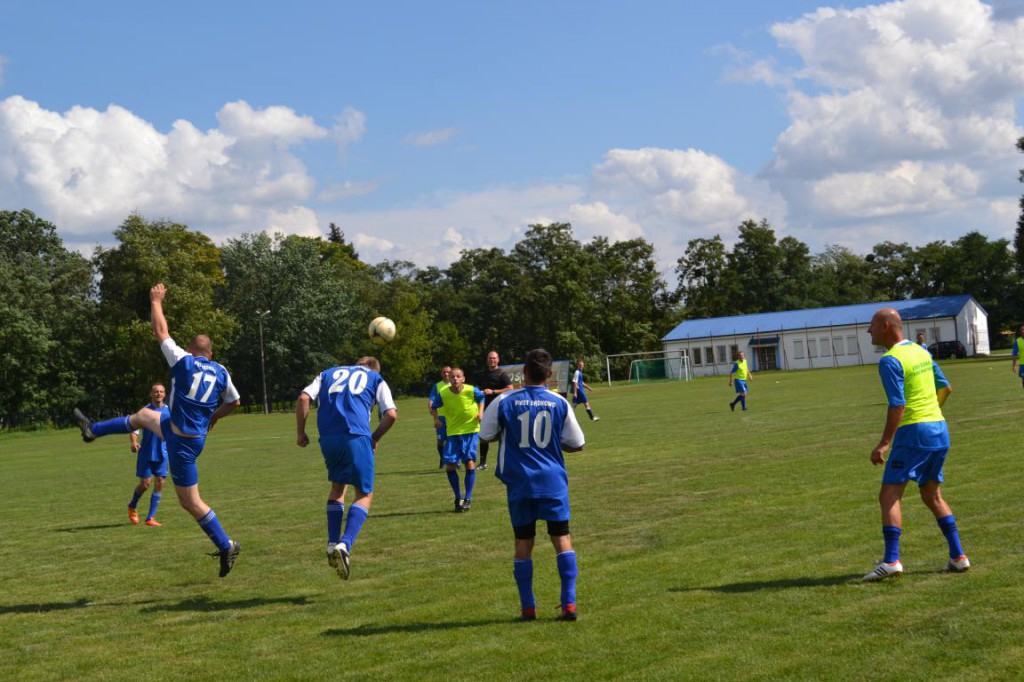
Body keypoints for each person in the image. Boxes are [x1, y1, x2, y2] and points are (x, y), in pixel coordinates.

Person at [73, 283, 242, 577]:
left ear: (191, 349)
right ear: (211, 354)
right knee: (142, 416)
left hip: (181, 443)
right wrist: (214, 417)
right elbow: (235, 402)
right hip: (186, 433)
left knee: (190, 501)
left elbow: (161, 332)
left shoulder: (183, 360)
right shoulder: (222, 372)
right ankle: (92, 429)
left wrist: (156, 301)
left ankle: (226, 544)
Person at [862, 308, 969, 582]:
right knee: (932, 495)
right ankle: (958, 557)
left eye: (872, 326)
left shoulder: (890, 360)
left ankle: (891, 561)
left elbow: (898, 404)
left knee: (889, 496)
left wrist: (885, 443)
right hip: (939, 429)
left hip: (914, 433)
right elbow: (946, 388)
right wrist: (931, 413)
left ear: (886, 326)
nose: (868, 331)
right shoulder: (922, 352)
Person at [480, 348, 586, 621]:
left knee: (523, 543)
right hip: (552, 482)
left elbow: (486, 435)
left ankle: (528, 607)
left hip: (520, 482)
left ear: (523, 372)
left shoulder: (505, 400)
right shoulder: (558, 402)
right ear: (549, 375)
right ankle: (569, 604)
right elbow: (577, 444)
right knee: (561, 538)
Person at [296, 356, 397, 580]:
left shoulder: (327, 373)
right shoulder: (376, 377)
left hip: (328, 439)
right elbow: (391, 414)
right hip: (356, 436)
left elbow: (304, 398)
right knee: (364, 493)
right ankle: (345, 544)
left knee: (337, 487)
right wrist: (374, 437)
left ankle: (332, 543)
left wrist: (301, 432)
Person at [431, 367, 484, 512]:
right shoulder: (443, 393)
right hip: (453, 432)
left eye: (458, 376)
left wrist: (480, 412)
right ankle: (458, 497)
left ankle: (468, 498)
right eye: (453, 377)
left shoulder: (471, 390)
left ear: (463, 378)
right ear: (449, 379)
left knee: (469, 462)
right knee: (449, 466)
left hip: (470, 431)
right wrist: (436, 419)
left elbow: (482, 398)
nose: (455, 379)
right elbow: (434, 406)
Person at [127, 383, 170, 526]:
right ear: (150, 394)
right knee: (145, 484)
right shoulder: (145, 411)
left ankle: (150, 518)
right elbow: (134, 429)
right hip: (146, 453)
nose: (158, 393)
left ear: (165, 394)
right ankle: (132, 505)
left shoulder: (169, 412)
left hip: (163, 454)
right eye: (155, 391)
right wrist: (134, 442)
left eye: (161, 391)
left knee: (160, 482)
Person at [477, 351, 513, 469]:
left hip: (499, 408)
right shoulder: (483, 374)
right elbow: (479, 389)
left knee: (502, 435)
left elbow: (510, 388)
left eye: (494, 358)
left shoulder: (502, 373)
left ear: (498, 360)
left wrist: (493, 391)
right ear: (487, 360)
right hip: (485, 408)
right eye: (489, 358)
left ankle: (503, 461)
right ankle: (483, 463)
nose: (491, 360)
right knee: (483, 436)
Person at [428, 365, 452, 469]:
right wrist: (431, 410)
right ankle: (442, 459)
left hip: (453, 417)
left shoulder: (457, 384)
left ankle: (455, 460)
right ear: (441, 374)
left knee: (454, 439)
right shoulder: (437, 386)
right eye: (444, 372)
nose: (446, 374)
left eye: (448, 372)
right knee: (441, 440)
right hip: (441, 417)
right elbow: (432, 399)